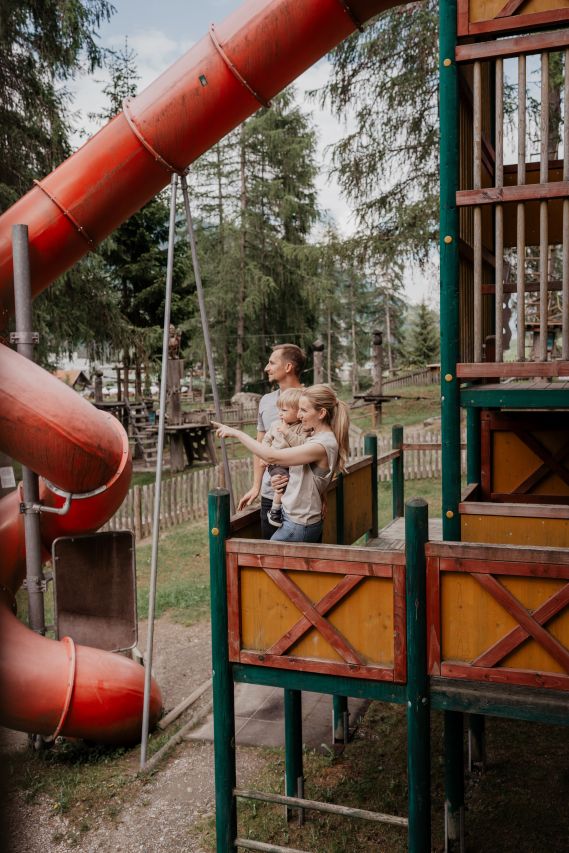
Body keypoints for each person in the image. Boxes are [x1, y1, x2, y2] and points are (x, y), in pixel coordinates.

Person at [214, 384, 350, 543]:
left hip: (299, 523)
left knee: (265, 560)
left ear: (321, 413)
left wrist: (237, 433)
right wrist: (278, 478)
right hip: (294, 517)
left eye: (304, 410)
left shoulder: (321, 445)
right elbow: (305, 475)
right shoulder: (312, 437)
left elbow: (272, 457)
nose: (299, 415)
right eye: (298, 409)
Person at [237, 343, 306, 539]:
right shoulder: (266, 401)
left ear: (288, 367)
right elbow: (260, 447)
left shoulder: (310, 399)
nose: (267, 368)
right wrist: (256, 486)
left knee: (303, 563)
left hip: (303, 497)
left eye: (272, 362)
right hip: (270, 494)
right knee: (270, 556)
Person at [262, 387, 307, 528]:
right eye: (279, 410)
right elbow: (266, 440)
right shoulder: (275, 425)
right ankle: (275, 510)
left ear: (298, 411)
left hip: (294, 464)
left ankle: (286, 510)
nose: (280, 414)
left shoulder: (302, 428)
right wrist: (265, 454)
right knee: (282, 480)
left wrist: (287, 432)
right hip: (277, 463)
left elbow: (302, 444)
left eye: (284, 410)